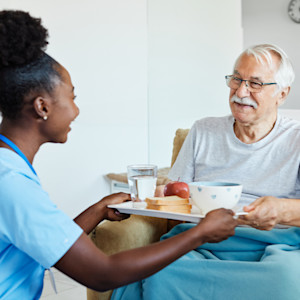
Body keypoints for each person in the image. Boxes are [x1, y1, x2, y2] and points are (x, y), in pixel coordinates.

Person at [0, 10, 238, 299]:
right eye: (72, 97)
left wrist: (98, 210)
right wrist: (200, 233)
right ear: (42, 107)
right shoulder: (11, 182)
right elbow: (103, 273)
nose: (76, 110)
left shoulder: (9, 168)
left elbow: (53, 241)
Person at [111, 45, 300, 300]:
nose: (241, 91)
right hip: (203, 239)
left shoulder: (296, 139)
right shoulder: (203, 130)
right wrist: (151, 197)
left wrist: (282, 209)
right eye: (236, 79)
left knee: (285, 280)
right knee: (161, 272)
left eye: (255, 83)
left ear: (282, 93)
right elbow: (176, 194)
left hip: (277, 245)